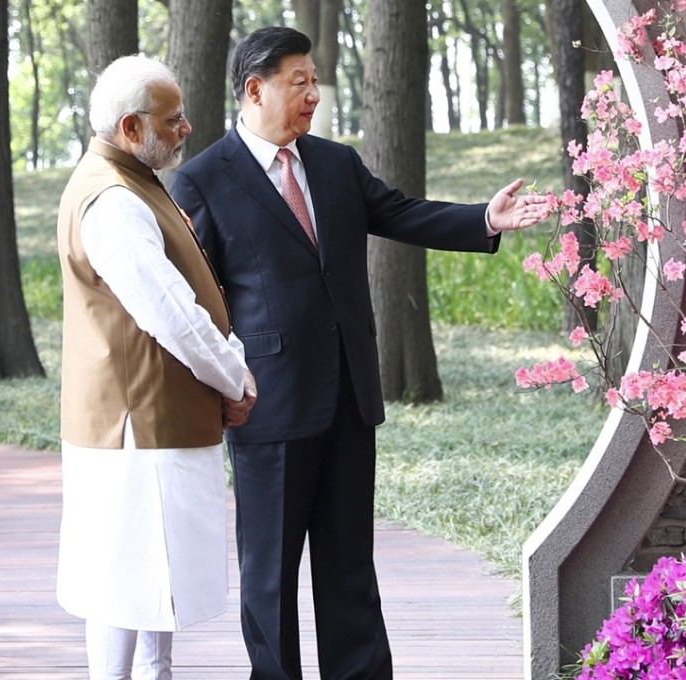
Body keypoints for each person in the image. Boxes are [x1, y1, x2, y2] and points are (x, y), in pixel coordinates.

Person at [170, 27, 550, 680]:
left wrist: (483, 220)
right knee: (270, 575)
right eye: (300, 82)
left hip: (348, 396)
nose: (314, 93)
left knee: (350, 566)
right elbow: (192, 304)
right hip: (267, 405)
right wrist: (219, 386)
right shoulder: (202, 181)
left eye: (315, 80)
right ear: (255, 89)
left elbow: (401, 213)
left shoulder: (335, 164)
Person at [55, 54, 257, 680]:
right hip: (137, 426)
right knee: (125, 583)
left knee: (142, 582)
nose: (187, 128)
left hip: (135, 423)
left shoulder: (123, 179)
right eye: (171, 120)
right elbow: (169, 312)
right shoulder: (113, 199)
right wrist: (235, 376)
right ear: (131, 128)